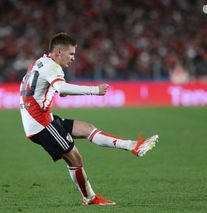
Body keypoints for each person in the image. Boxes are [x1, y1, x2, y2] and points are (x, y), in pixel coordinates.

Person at [19, 32, 159, 205]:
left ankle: (132, 146)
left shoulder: (39, 63)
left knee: (87, 128)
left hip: (42, 118)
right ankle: (90, 197)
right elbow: (61, 88)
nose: (73, 58)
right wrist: (95, 91)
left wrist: (52, 91)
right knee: (75, 159)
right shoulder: (53, 67)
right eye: (71, 54)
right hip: (41, 124)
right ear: (59, 52)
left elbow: (32, 87)